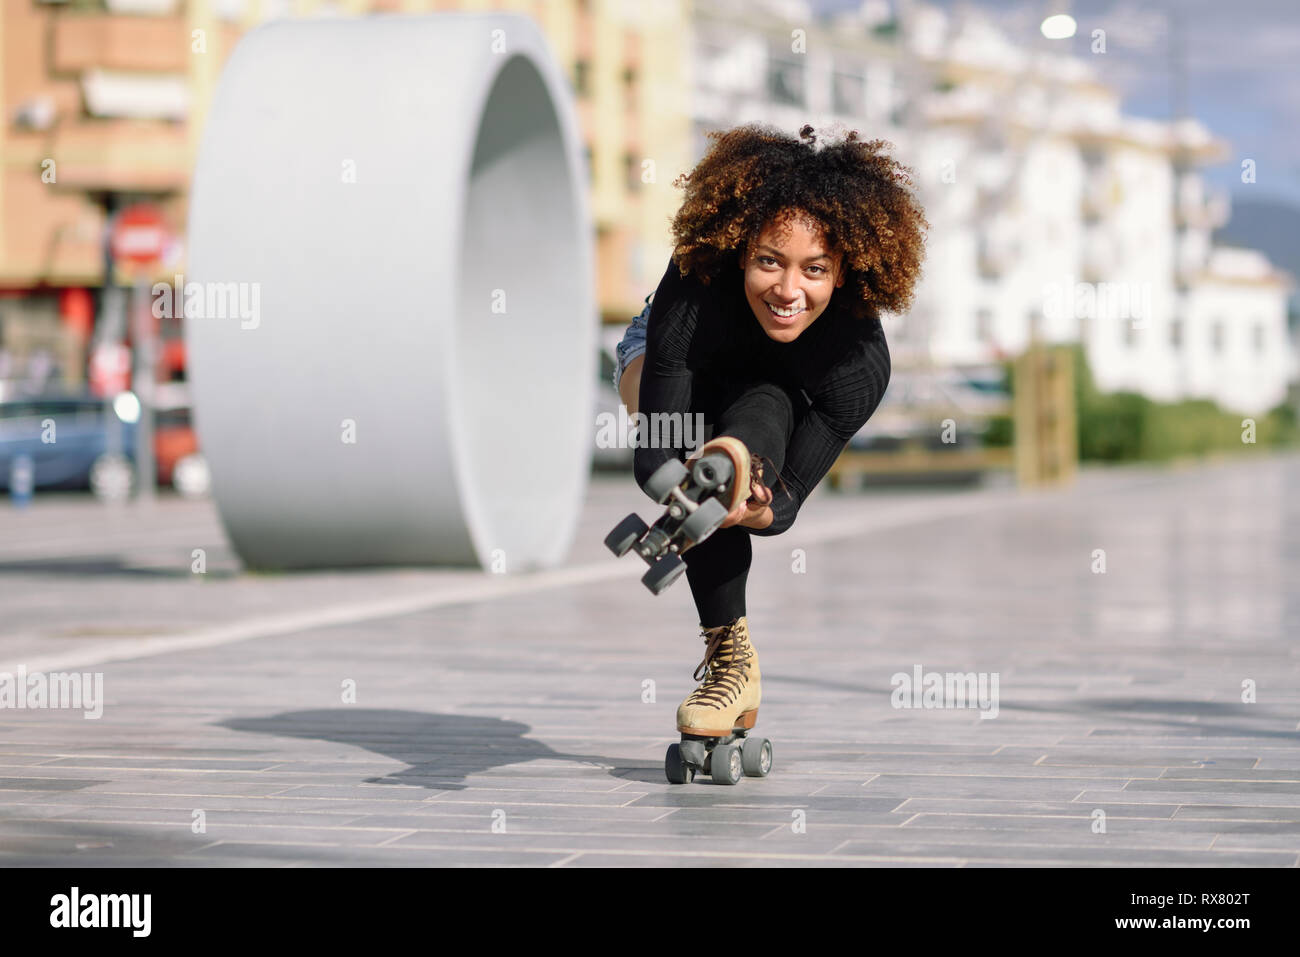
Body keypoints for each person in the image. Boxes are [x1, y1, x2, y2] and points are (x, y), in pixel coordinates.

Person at [611, 122, 927, 744]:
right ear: (739, 250)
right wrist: (693, 486)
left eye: (815, 269)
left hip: (776, 401)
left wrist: (747, 500)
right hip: (681, 358)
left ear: (844, 272)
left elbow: (784, 508)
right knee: (693, 438)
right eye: (768, 261)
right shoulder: (694, 289)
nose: (788, 291)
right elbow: (654, 460)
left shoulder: (857, 366)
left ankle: (732, 473)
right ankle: (730, 656)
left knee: (765, 407)